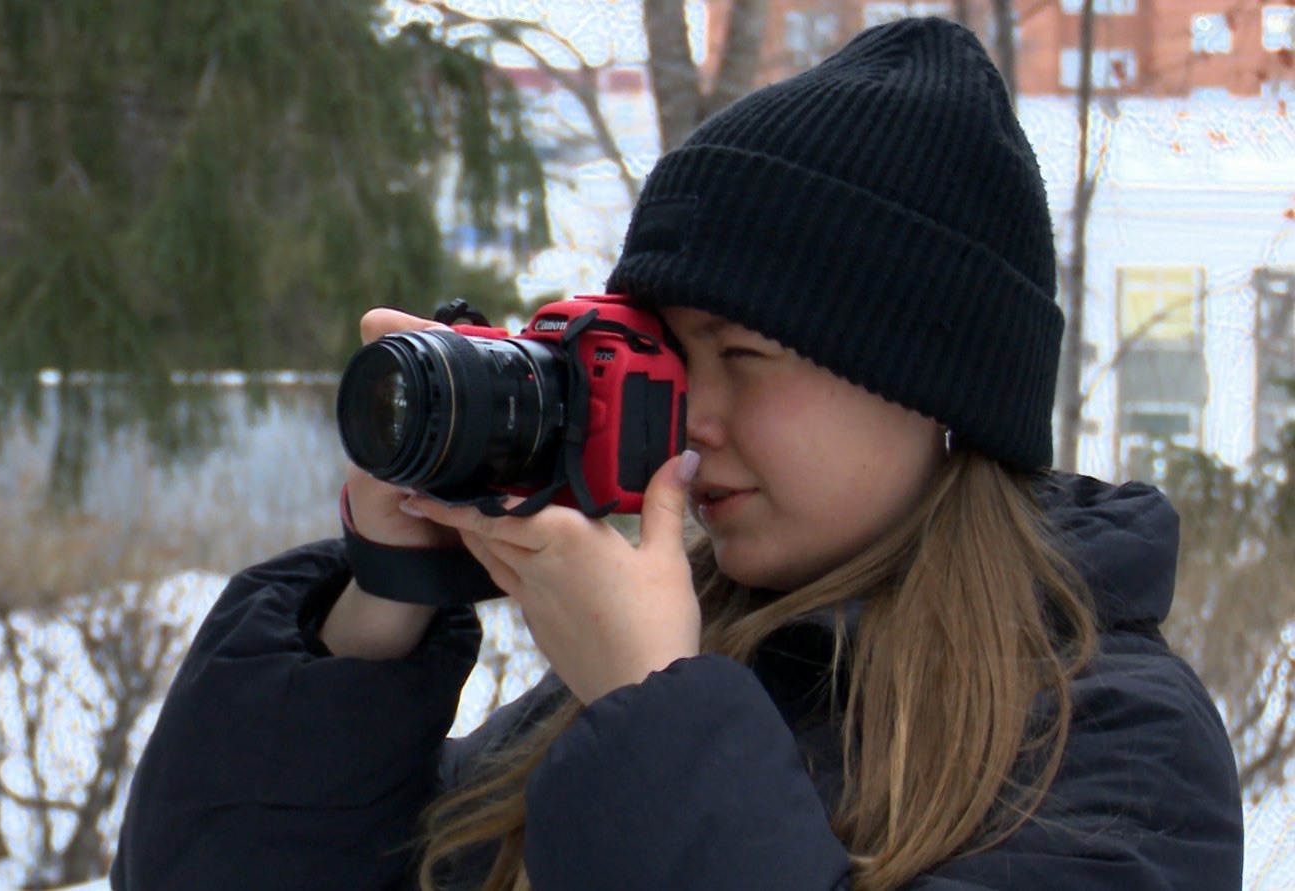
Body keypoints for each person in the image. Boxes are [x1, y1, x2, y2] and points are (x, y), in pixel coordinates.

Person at [111, 17, 1242, 891]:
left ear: (935, 392)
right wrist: (381, 603)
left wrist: (652, 710)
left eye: (745, 354)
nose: (690, 415)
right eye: (669, 354)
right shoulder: (682, 656)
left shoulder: (1115, 746)